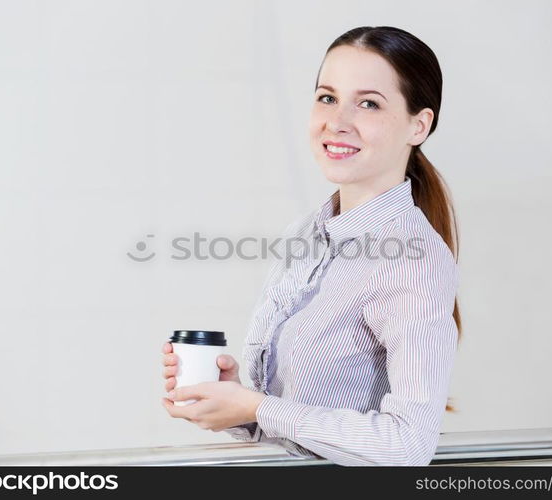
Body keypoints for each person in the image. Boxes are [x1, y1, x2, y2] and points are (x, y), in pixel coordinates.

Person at [161, 25, 462, 466]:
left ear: (419, 125)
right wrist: (232, 402)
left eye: (368, 103)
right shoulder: (305, 234)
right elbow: (294, 424)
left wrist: (257, 407)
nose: (336, 122)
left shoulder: (410, 259)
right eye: (327, 97)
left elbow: (406, 447)